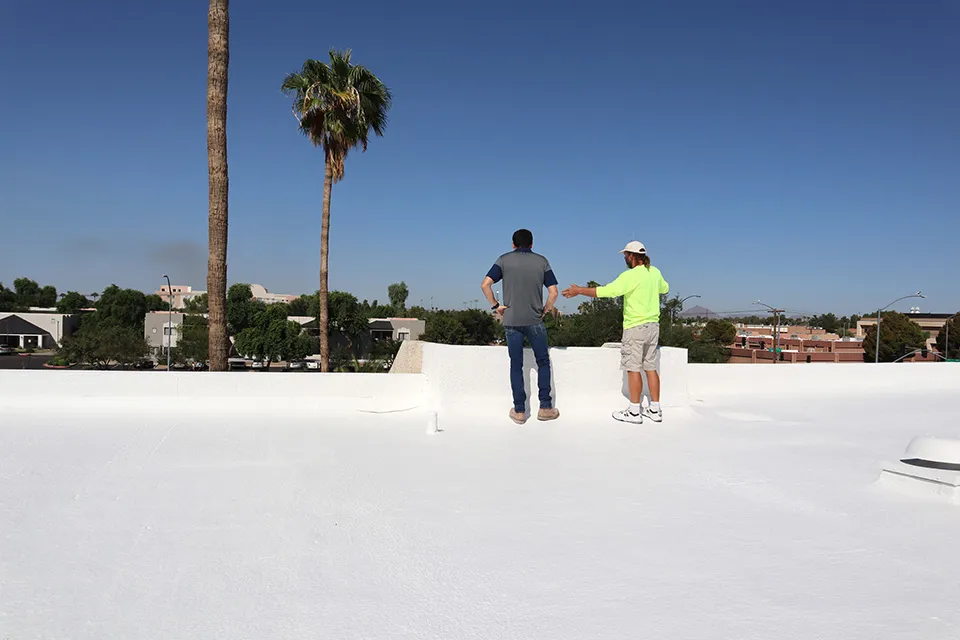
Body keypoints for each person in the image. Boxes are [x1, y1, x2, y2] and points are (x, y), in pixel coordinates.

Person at [562, 241, 669, 424]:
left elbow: (608, 291)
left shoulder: (630, 275)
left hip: (635, 327)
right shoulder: (655, 272)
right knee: (650, 367)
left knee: (633, 368)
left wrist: (580, 290)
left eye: (625, 255)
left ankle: (635, 412)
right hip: (653, 327)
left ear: (632, 256)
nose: (624, 258)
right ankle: (655, 409)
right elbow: (664, 288)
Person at [481, 229, 561, 424]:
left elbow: (485, 285)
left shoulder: (503, 260)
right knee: (543, 362)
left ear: (513, 244)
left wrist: (496, 306)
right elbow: (554, 293)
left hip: (511, 321)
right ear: (532, 244)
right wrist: (545, 309)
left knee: (516, 364)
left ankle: (519, 411)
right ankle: (545, 408)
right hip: (535, 320)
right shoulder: (542, 261)